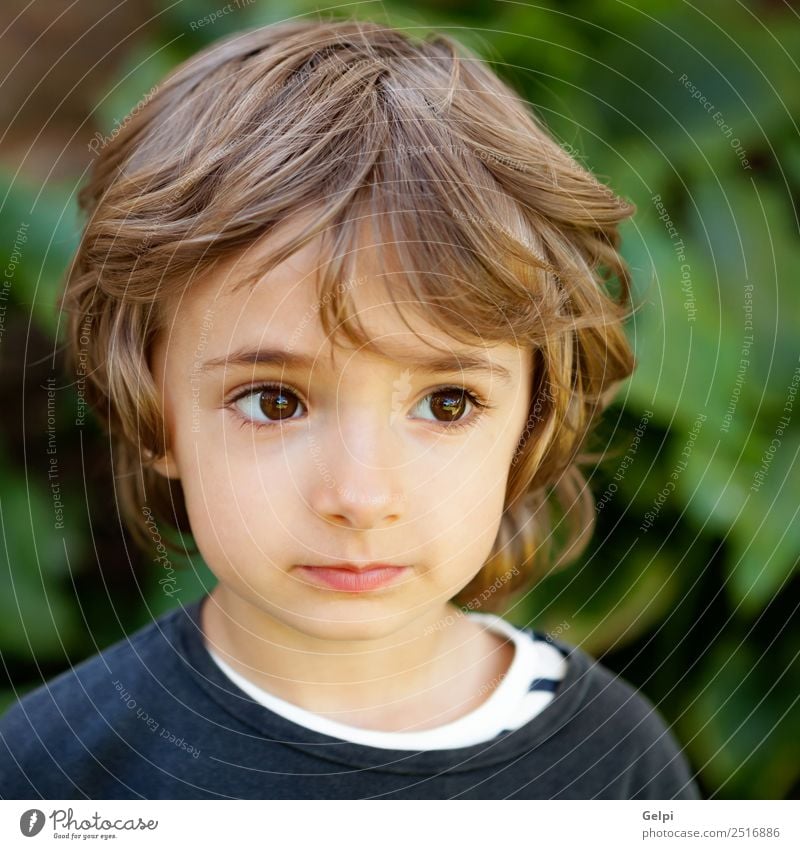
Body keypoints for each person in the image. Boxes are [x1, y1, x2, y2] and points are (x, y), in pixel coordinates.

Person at [0, 17, 701, 800]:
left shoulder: (613, 762)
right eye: (273, 400)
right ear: (153, 407)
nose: (361, 497)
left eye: (447, 401)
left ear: (529, 418)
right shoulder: (51, 768)